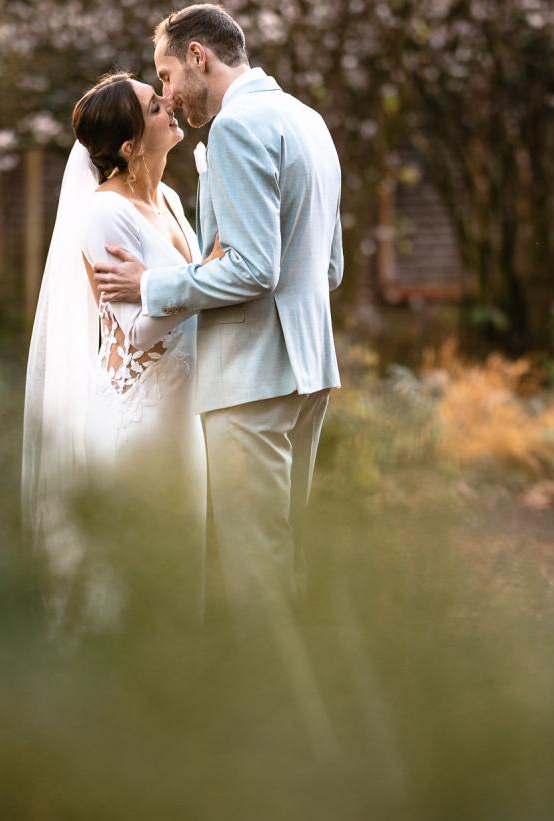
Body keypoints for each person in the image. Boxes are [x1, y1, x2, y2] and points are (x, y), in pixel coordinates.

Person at [94, 3, 344, 614]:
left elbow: (255, 267)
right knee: (287, 553)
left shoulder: (236, 126)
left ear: (198, 57)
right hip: (309, 371)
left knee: (254, 567)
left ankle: (260, 700)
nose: (168, 94)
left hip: (250, 378)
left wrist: (152, 286)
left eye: (168, 76)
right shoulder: (307, 119)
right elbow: (330, 266)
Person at [22, 72, 219, 630]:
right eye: (156, 107)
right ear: (130, 146)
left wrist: (191, 280)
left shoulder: (173, 201)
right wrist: (204, 278)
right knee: (138, 571)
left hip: (184, 412)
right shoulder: (103, 213)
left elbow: (188, 287)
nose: (170, 106)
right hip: (141, 416)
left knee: (181, 562)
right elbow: (133, 331)